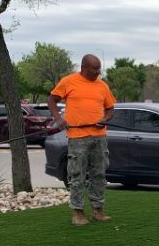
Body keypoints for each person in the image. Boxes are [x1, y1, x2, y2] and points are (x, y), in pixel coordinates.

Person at [47, 54, 116, 226]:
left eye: (99, 68)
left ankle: (98, 210)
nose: (98, 71)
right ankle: (77, 212)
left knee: (99, 174)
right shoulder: (69, 82)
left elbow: (110, 109)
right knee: (77, 175)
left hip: (99, 137)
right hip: (77, 138)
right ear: (84, 67)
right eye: (95, 68)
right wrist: (58, 118)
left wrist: (105, 119)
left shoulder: (102, 85)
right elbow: (52, 100)